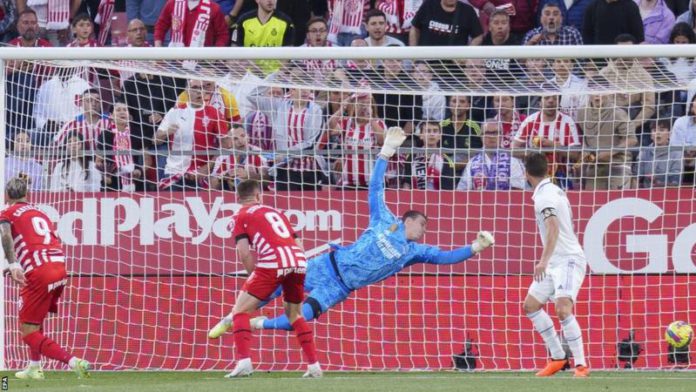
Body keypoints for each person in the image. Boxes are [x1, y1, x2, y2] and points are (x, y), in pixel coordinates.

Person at [207, 128, 495, 335]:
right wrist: (385, 153)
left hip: (340, 287)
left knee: (299, 318)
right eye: (423, 224)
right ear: (409, 219)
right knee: (271, 287)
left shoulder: (414, 252)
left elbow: (446, 258)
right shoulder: (384, 219)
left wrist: (474, 248)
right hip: (325, 265)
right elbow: (376, 188)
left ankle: (259, 324)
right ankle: (232, 317)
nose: (424, 231)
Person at [221, 179, 321, 378]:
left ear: (238, 198)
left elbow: (244, 252)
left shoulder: (239, 216)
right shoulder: (277, 213)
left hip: (272, 262)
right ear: (259, 196)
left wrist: (254, 276)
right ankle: (314, 366)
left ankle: (244, 362)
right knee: (295, 314)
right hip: (298, 261)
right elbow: (298, 243)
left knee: (239, 311)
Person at [1, 177, 91, 380]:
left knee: (28, 332)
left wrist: (14, 264)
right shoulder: (41, 212)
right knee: (36, 319)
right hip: (59, 268)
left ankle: (73, 362)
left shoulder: (7, 213)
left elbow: (5, 236)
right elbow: (44, 241)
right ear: (28, 195)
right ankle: (34, 366)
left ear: (6, 196)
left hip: (39, 273)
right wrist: (14, 265)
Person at [522, 152, 589, 378]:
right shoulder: (551, 190)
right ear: (547, 169)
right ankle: (558, 358)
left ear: (526, 173)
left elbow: (553, 227)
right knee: (530, 306)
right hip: (555, 260)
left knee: (562, 309)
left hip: (568, 259)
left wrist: (543, 260)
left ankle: (581, 365)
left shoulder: (545, 197)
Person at [155, 79, 227, 190]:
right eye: (195, 88)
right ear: (187, 91)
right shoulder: (175, 111)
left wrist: (207, 167)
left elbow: (225, 145)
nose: (199, 91)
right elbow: (156, 140)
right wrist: (167, 132)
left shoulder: (214, 113)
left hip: (200, 174)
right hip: (174, 171)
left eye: (202, 88)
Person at [457, 121, 527, 190]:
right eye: (487, 133)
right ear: (481, 136)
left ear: (501, 135)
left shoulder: (512, 161)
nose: (491, 136)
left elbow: (519, 190)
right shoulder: (472, 163)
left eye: (495, 133)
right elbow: (462, 190)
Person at [638, 119, 683, 187]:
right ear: (650, 135)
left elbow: (676, 181)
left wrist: (657, 182)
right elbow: (637, 176)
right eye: (654, 130)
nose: (658, 133)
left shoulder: (677, 153)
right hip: (645, 193)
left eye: (661, 130)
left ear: (669, 134)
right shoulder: (644, 151)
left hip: (668, 193)